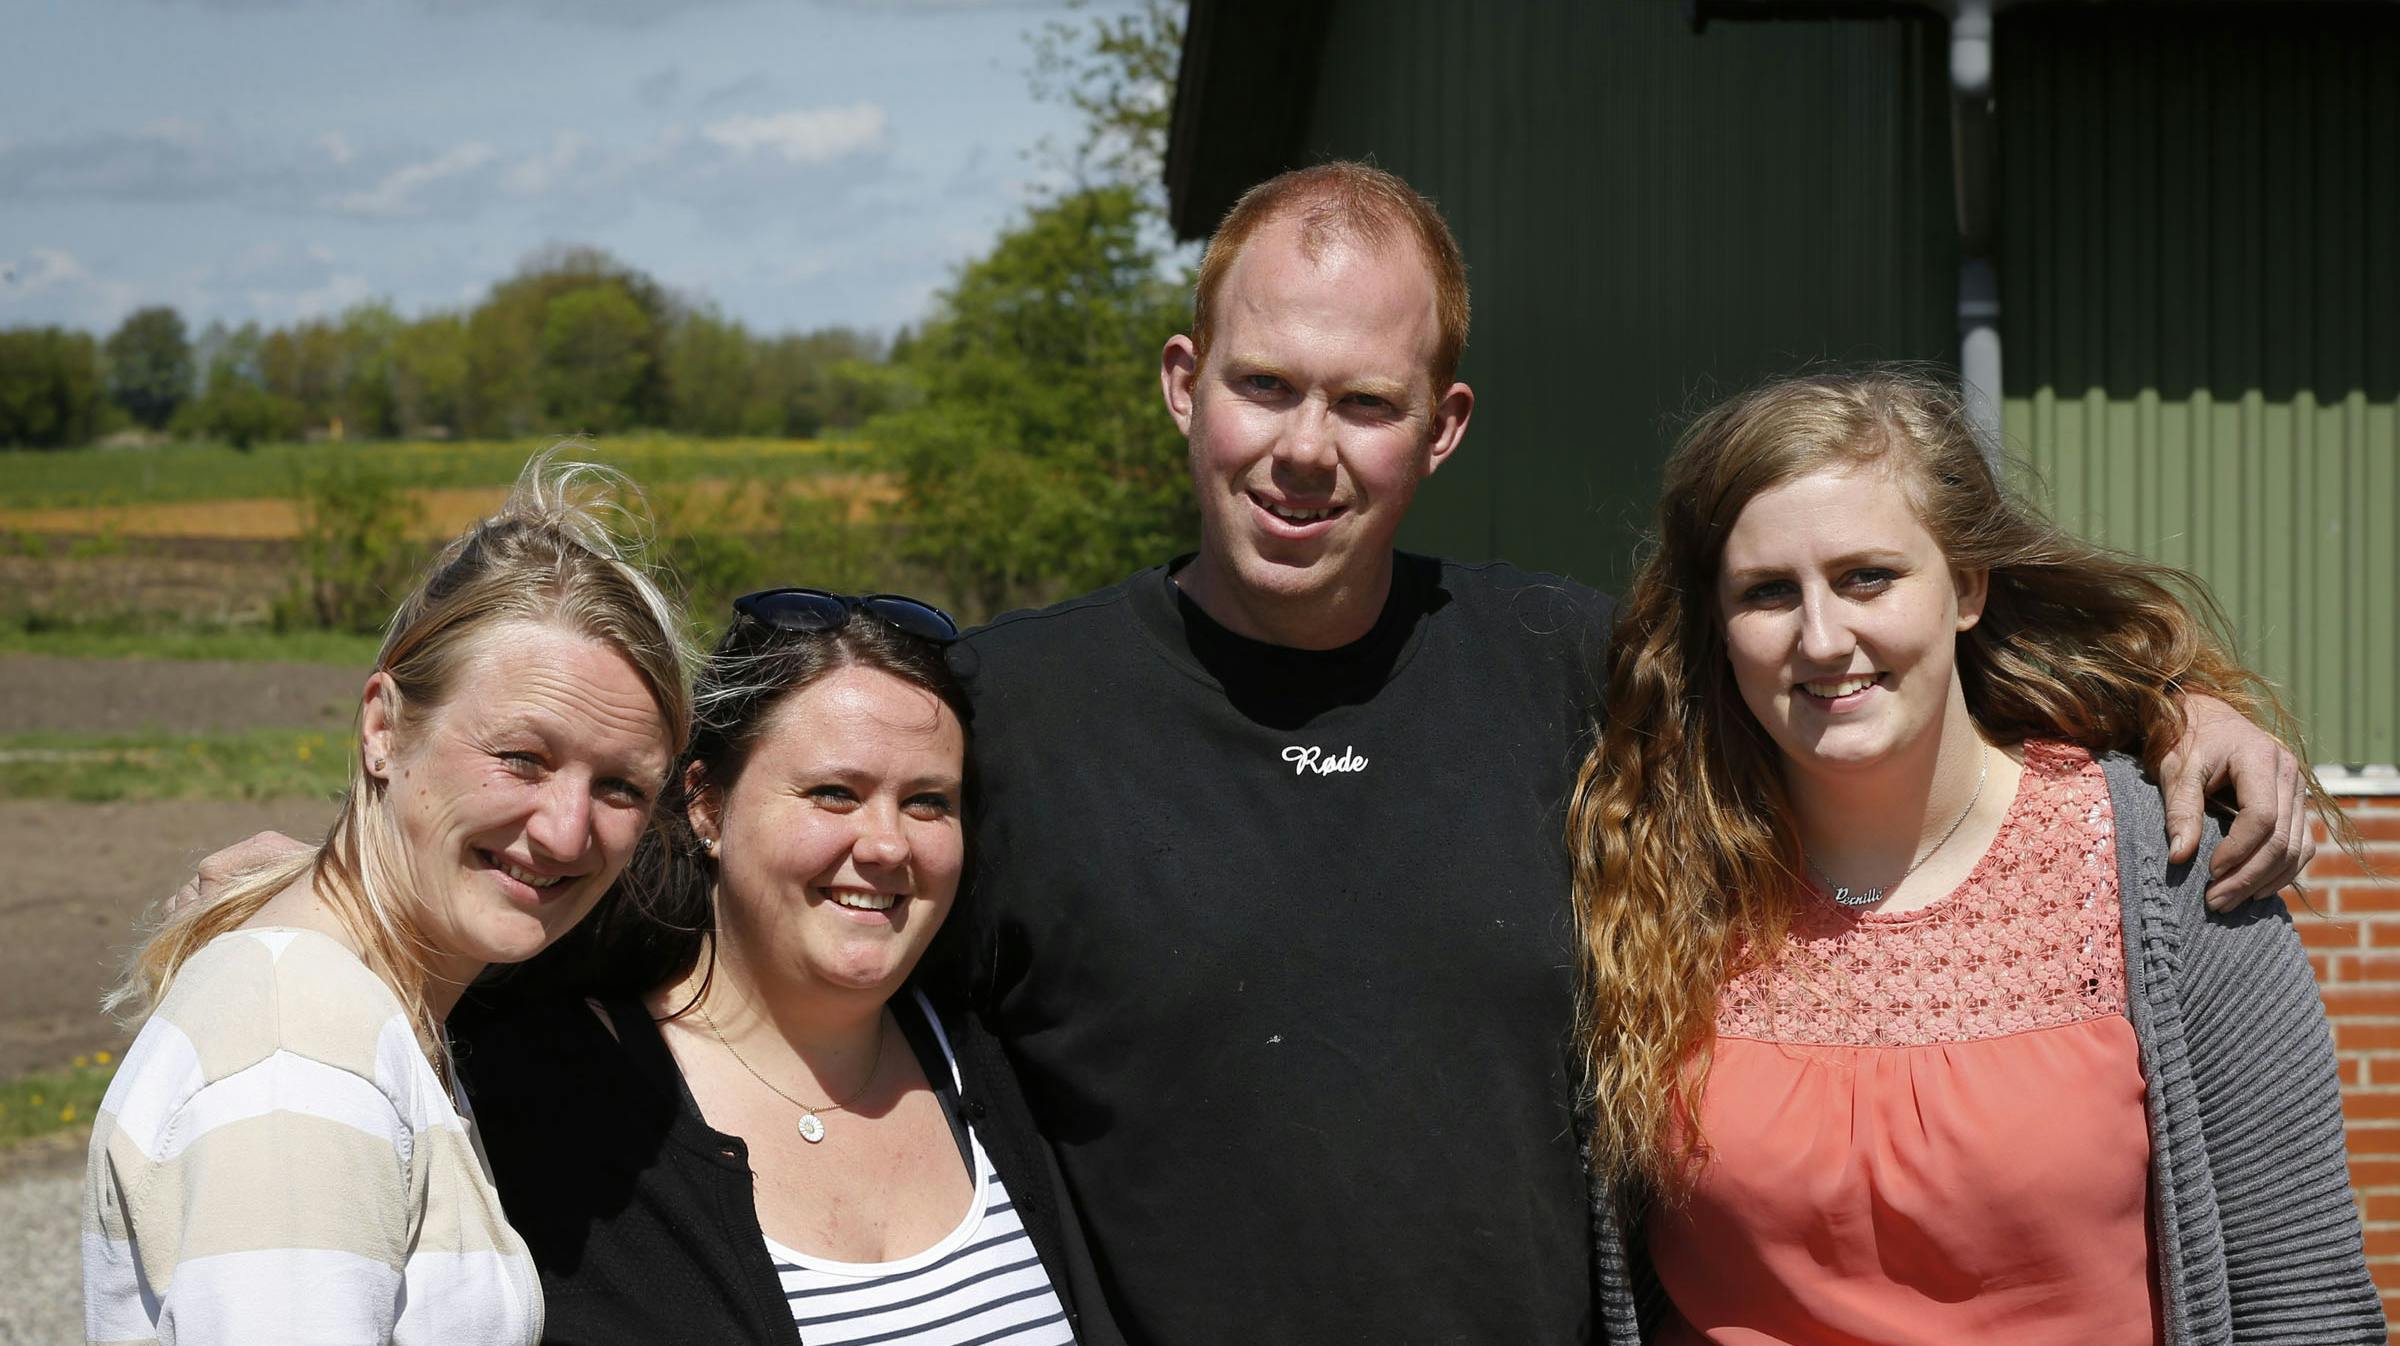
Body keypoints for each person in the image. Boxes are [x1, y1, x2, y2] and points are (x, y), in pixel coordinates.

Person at [944, 161, 2318, 1343]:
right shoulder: (1011, 714)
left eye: (1365, 402)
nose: (1306, 448)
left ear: (1445, 425)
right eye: (1265, 386)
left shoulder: (1567, 672)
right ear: (1187, 386)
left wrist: (2174, 703)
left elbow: (1843, 681)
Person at [1571, 369, 2382, 1343]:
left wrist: (2181, 701)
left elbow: (2304, 1299)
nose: (1823, 636)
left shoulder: (2159, 872)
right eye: (1768, 592)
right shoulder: (1643, 870)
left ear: (1965, 585)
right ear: (1719, 622)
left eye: (1868, 575)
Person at [83, 456, 692, 1346]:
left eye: (621, 789)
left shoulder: (371, 1011)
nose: (566, 833)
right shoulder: (300, 1056)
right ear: (381, 728)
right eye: (521, 757)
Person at [445, 588, 1116, 1346]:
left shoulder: (996, 1056)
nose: (888, 845)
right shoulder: (546, 1099)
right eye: (835, 793)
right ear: (705, 805)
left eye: (928, 802)